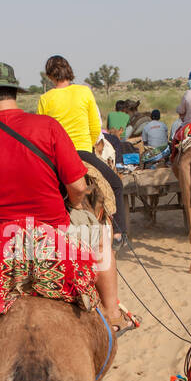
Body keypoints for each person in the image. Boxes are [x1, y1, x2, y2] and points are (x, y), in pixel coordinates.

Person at [0, 63, 139, 345]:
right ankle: (112, 312)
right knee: (101, 240)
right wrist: (72, 204)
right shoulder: (48, 127)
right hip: (55, 229)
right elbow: (79, 187)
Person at [37, 55, 129, 244]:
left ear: (50, 75)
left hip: (57, 158)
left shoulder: (45, 98)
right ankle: (119, 234)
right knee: (116, 185)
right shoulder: (84, 92)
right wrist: (89, 143)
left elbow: (42, 132)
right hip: (83, 152)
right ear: (68, 71)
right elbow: (96, 127)